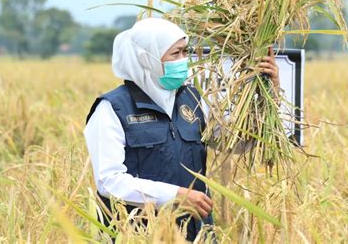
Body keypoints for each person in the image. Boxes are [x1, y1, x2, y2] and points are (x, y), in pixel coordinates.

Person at [84, 18, 281, 242]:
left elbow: (235, 144)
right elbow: (109, 181)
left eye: (185, 52)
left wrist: (269, 92)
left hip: (195, 232)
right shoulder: (112, 109)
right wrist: (175, 196)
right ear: (147, 59)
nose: (183, 61)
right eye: (175, 53)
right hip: (138, 234)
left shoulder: (193, 100)